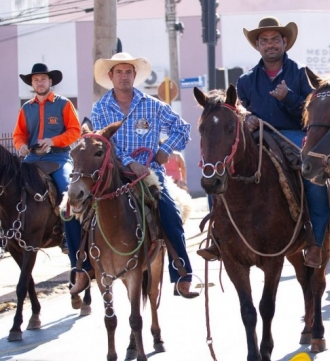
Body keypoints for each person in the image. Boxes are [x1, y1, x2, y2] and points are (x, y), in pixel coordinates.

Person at [91, 52, 198, 298]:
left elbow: (183, 128)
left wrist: (164, 150)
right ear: (111, 76)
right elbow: (100, 143)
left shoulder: (152, 105)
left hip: (150, 173)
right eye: (119, 72)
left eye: (128, 72)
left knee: (170, 213)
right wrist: (128, 162)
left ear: (135, 76)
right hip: (113, 172)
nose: (124, 76)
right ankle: (82, 269)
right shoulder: (100, 109)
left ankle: (182, 273)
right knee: (80, 210)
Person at [235, 17, 330, 268]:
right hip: (257, 136)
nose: (270, 45)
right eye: (264, 40)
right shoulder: (245, 81)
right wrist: (247, 117)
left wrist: (289, 98)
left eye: (275, 39)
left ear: (285, 42)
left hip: (294, 134)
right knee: (222, 166)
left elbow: (314, 111)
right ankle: (220, 235)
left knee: (314, 174)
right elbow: (239, 109)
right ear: (258, 46)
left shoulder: (301, 75)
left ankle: (316, 243)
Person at [13, 63, 93, 298]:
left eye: (43, 79)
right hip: (31, 159)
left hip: (59, 157)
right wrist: (21, 146)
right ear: (32, 84)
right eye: (36, 80)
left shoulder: (64, 104)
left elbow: (75, 131)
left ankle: (70, 237)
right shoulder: (26, 108)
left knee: (69, 192)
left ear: (50, 82)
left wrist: (53, 140)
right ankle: (9, 231)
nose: (40, 83)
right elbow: (18, 134)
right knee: (11, 189)